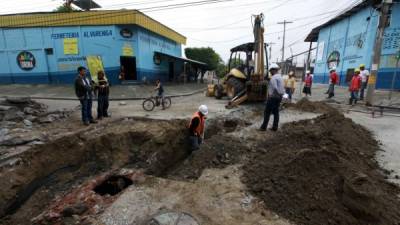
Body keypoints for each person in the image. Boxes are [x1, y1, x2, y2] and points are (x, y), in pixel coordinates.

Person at [260, 63, 285, 132]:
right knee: (276, 112)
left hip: (273, 97)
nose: (270, 72)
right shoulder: (280, 77)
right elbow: (281, 88)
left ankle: (263, 127)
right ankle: (275, 127)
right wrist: (280, 95)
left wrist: (271, 95)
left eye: (270, 71)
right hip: (279, 97)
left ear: (273, 70)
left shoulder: (274, 78)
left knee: (267, 112)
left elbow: (275, 88)